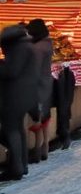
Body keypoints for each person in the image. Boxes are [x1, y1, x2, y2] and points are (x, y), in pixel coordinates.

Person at [0, 25, 38, 181]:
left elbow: (11, 71)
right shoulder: (26, 45)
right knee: (18, 130)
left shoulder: (18, 48)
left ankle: (16, 168)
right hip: (25, 94)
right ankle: (22, 165)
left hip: (14, 95)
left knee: (11, 130)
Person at [27, 19, 54, 163]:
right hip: (47, 83)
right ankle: (45, 148)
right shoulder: (48, 43)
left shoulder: (38, 48)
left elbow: (34, 69)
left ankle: (37, 151)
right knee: (45, 118)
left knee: (37, 118)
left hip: (38, 86)